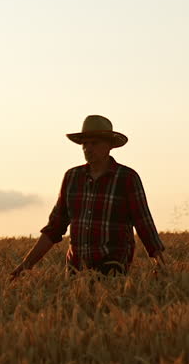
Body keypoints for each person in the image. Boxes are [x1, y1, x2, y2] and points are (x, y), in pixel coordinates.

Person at [11, 115, 165, 279]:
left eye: (94, 143)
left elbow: (143, 222)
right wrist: (25, 265)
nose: (88, 148)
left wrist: (160, 263)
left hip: (113, 267)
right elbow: (55, 226)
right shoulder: (72, 177)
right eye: (85, 144)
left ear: (109, 145)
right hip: (75, 269)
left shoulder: (127, 178)